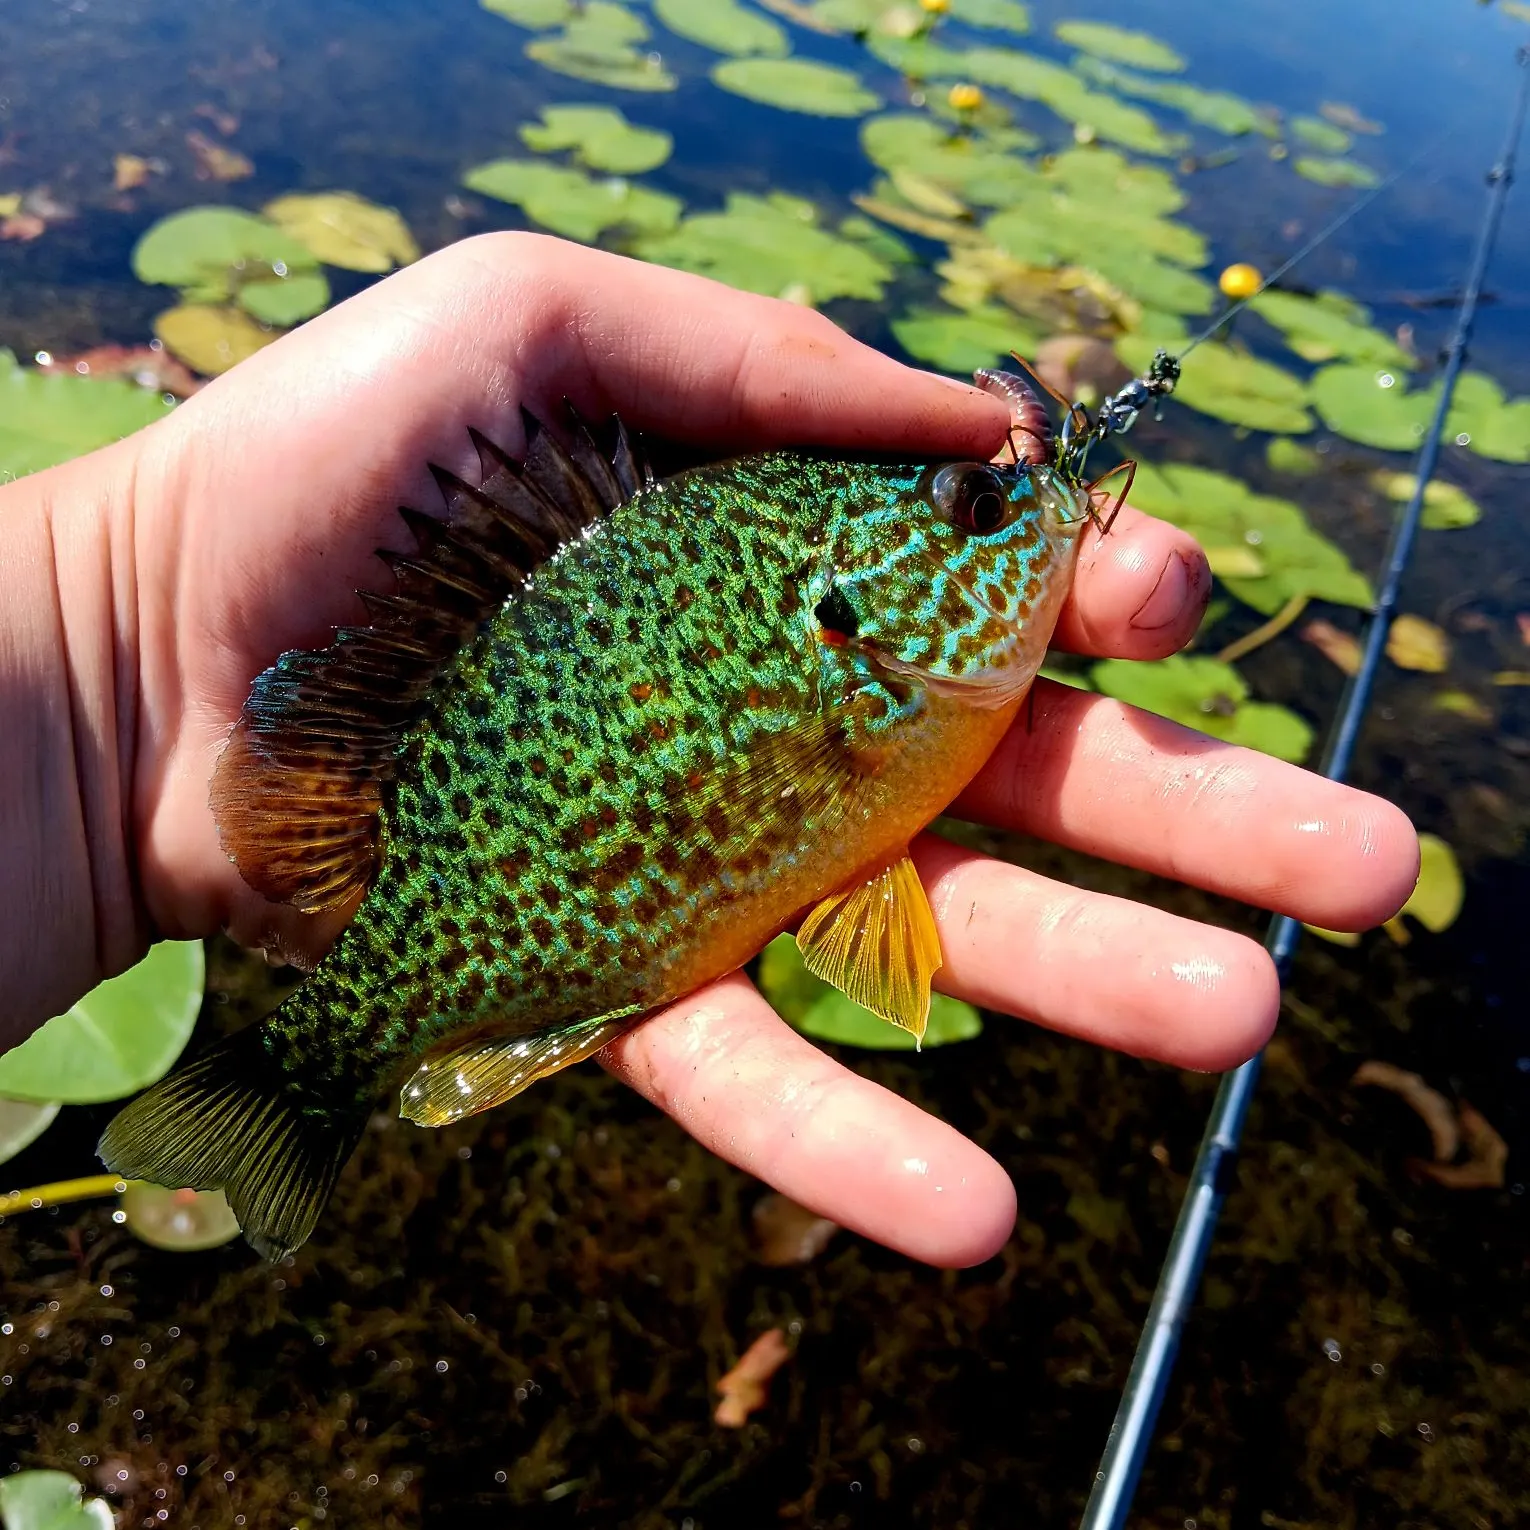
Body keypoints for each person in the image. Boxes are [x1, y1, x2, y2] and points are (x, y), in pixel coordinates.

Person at [0, 233, 1419, 1266]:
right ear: (851, 620)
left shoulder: (876, 648)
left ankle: (294, 1089)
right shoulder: (853, 656)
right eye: (976, 516)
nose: (1022, 517)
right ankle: (293, 1087)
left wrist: (95, 682)